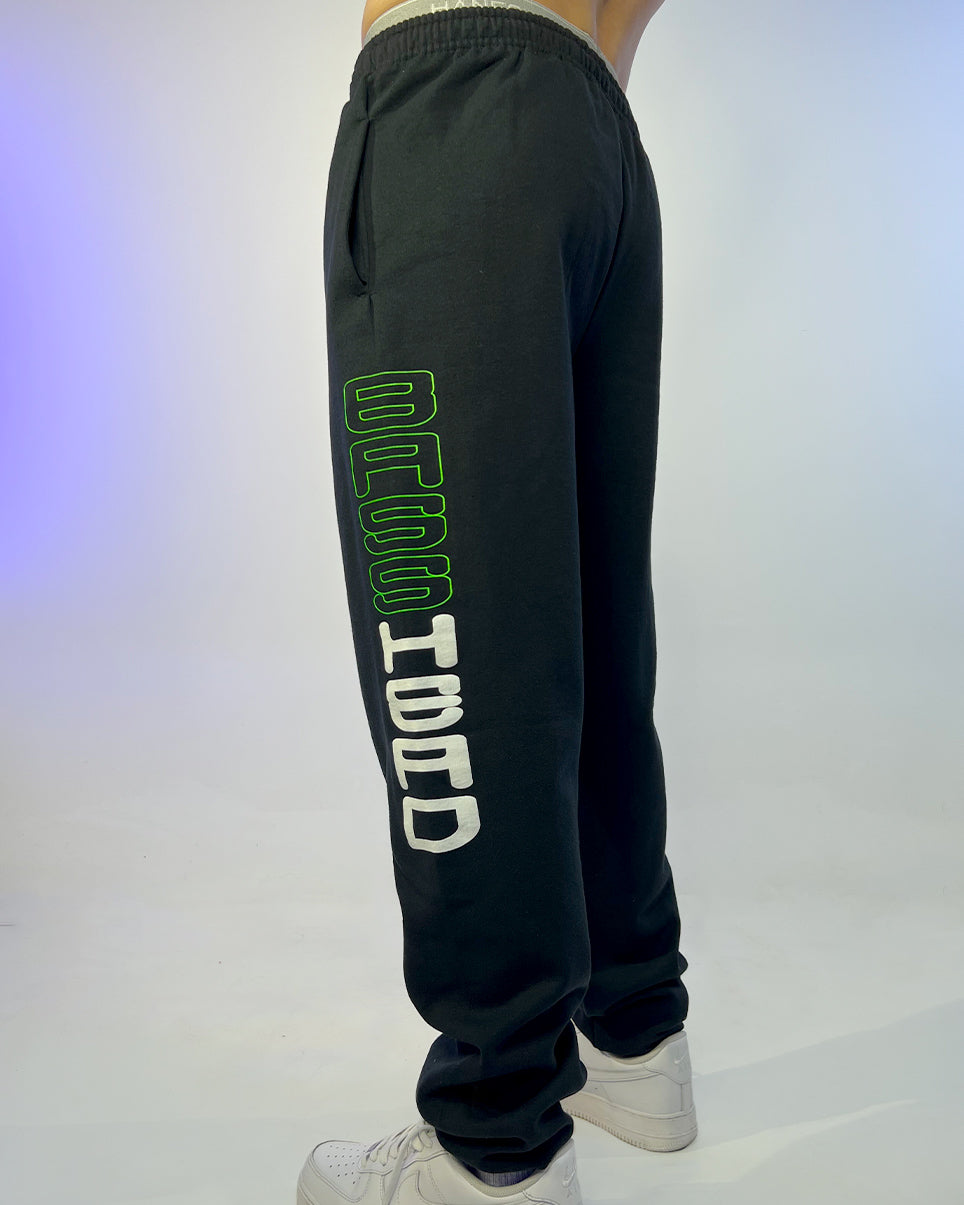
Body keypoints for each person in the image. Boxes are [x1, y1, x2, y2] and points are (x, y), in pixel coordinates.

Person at [296, 3, 696, 1202]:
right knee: (584, 624)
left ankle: (495, 1136)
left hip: (453, 115)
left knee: (451, 632)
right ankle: (632, 1037)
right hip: (595, 126)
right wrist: (566, 101)